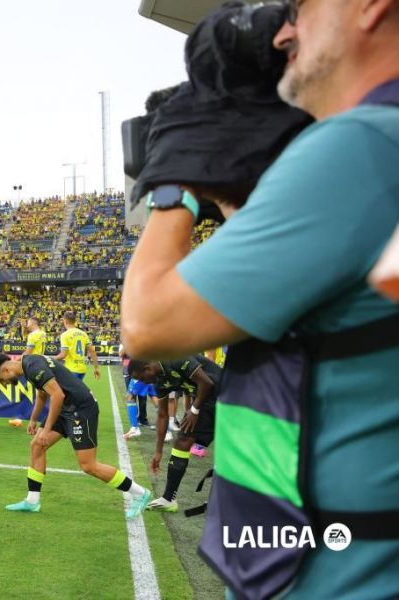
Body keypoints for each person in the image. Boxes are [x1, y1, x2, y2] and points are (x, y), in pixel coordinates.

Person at [122, 1, 399, 596]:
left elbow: (147, 324)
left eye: (301, 7)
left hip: (337, 574)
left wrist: (177, 180)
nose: (288, 30)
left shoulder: (360, 147)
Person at [0, 352, 151, 520]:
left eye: (0, 380)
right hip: (66, 409)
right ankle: (32, 501)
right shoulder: (27, 365)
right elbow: (43, 394)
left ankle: (140, 493)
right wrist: (34, 419)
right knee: (37, 446)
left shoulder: (32, 366)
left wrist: (47, 428)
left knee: (88, 465)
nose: (4, 383)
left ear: (5, 370)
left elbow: (58, 395)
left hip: (81, 409)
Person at [127, 356, 220, 513]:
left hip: (224, 391)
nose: (143, 382)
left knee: (184, 439)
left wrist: (194, 410)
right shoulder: (159, 381)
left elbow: (207, 383)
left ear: (148, 367)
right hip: (208, 397)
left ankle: (170, 498)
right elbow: (163, 415)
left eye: (141, 378)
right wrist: (158, 451)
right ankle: (170, 499)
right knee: (184, 439)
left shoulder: (175, 357)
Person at [55, 311, 101, 381]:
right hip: (82, 369)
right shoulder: (83, 334)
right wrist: (96, 367)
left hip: (71, 369)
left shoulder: (65, 335)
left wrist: (49, 358)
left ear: (65, 321)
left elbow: (63, 355)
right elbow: (92, 351)